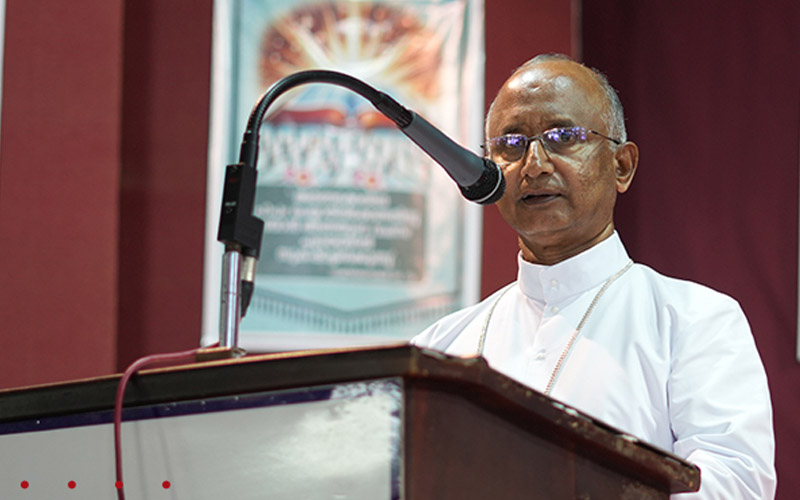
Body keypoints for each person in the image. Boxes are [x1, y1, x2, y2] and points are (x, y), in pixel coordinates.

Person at [411, 54, 775, 499]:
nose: (534, 165)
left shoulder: (695, 322)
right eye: (511, 144)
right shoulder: (440, 347)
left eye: (563, 137)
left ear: (622, 165)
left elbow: (734, 484)